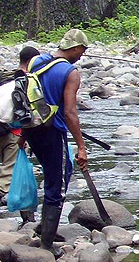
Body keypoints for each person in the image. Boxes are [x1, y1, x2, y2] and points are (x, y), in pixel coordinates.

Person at [22, 29, 88, 258]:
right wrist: (81, 146)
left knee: (57, 174)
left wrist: (21, 134)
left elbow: (26, 97)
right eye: (83, 50)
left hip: (31, 129)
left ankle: (42, 227)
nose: (82, 55)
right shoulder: (70, 72)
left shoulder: (37, 62)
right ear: (76, 48)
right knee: (56, 184)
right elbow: (70, 112)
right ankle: (46, 244)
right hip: (53, 131)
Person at [0, 46, 40, 224]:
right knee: (8, 174)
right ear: (30, 61)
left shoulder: (6, 79)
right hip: (16, 135)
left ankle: (29, 222)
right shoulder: (24, 80)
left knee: (20, 173)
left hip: (3, 133)